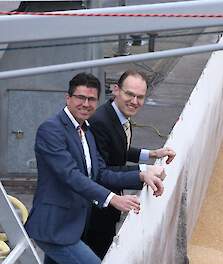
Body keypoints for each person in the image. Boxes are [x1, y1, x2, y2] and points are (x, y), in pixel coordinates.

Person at [24, 72, 166, 264]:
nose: (86, 104)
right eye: (80, 97)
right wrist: (113, 198)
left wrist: (141, 176)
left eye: (91, 99)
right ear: (68, 98)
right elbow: (70, 175)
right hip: (54, 228)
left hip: (73, 225)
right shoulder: (51, 130)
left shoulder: (86, 131)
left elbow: (100, 173)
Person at [82, 70, 176, 259]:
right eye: (130, 94)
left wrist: (151, 154)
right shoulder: (101, 122)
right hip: (95, 211)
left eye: (140, 97)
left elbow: (118, 148)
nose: (134, 101)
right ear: (116, 90)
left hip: (107, 205)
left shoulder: (118, 116)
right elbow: (101, 172)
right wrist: (143, 171)